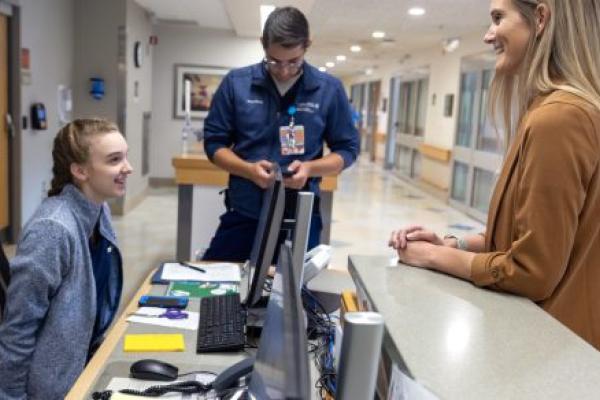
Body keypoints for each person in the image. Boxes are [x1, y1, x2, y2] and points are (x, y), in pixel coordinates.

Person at [389, 0, 600, 350]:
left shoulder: (561, 118)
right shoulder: (551, 110)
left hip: (555, 348)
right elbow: (531, 236)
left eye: (498, 18)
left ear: (542, 18)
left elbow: (533, 271)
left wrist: (432, 257)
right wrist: (453, 243)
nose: (488, 35)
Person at [202, 6, 360, 262]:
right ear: (263, 45)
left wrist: (310, 168)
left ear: (307, 46)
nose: (284, 71)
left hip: (300, 215)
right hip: (245, 210)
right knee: (222, 281)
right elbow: (214, 144)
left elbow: (348, 149)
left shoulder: (328, 89)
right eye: (274, 61)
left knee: (292, 292)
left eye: (293, 62)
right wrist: (247, 169)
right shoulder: (236, 84)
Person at [0, 118, 132, 399]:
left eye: (125, 156)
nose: (128, 168)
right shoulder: (53, 229)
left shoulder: (98, 209)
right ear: (80, 170)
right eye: (114, 160)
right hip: (52, 388)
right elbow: (18, 328)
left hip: (84, 365)